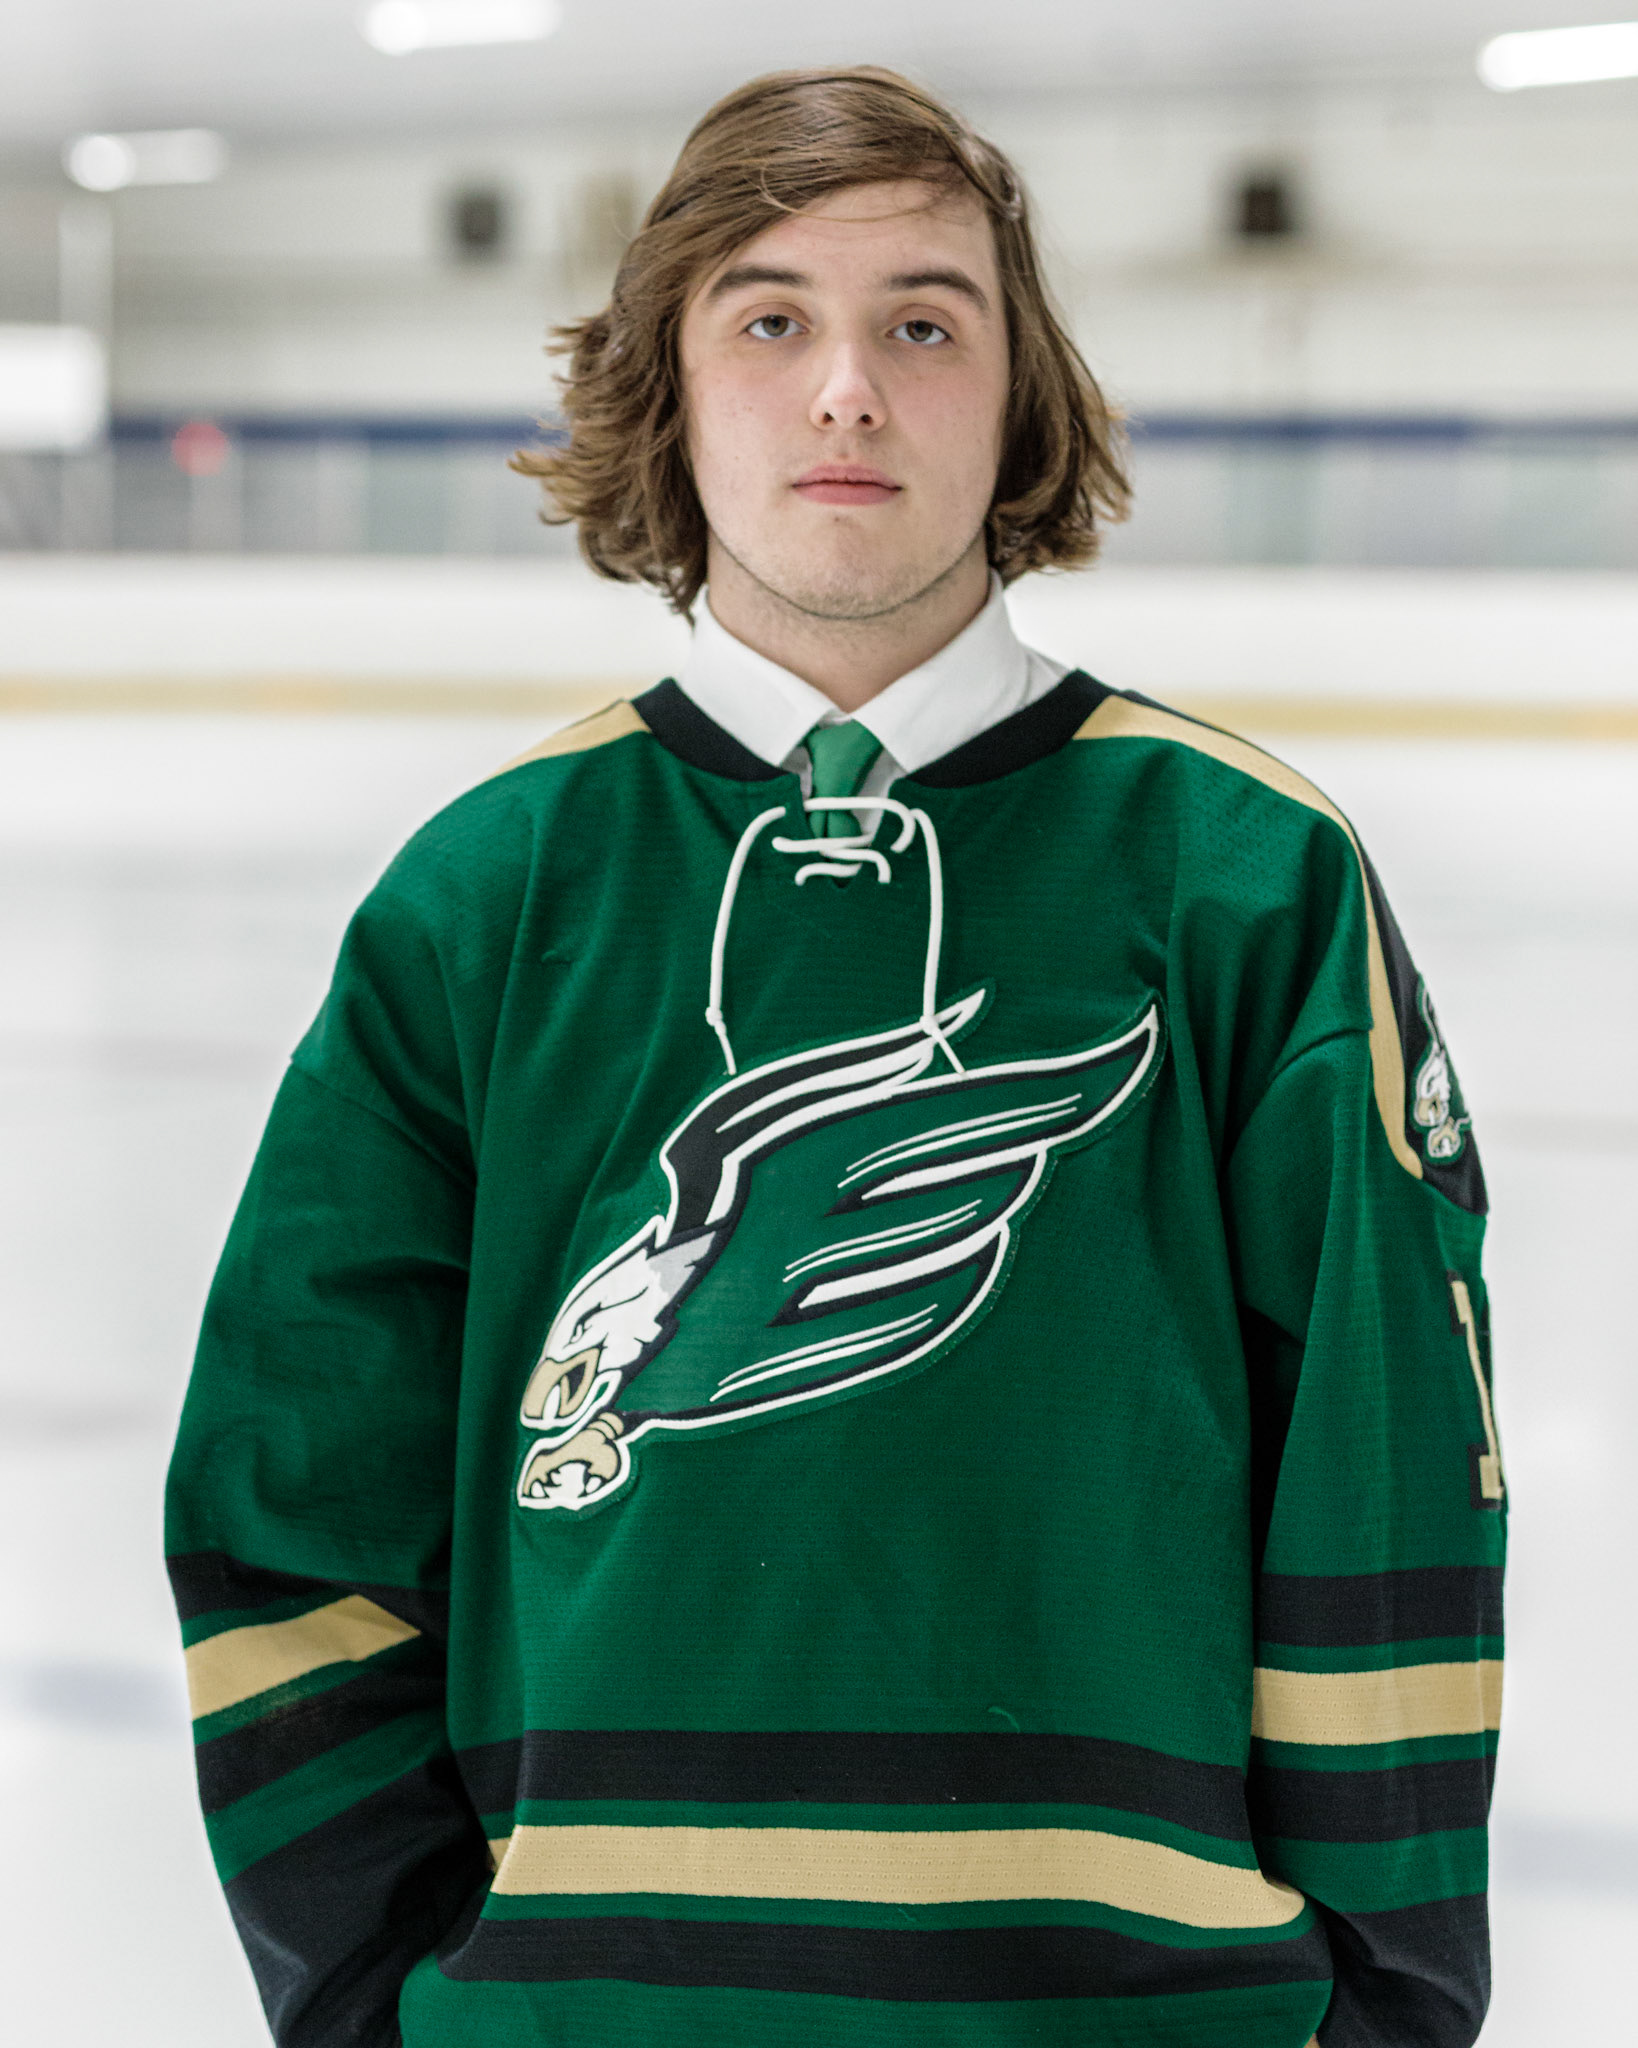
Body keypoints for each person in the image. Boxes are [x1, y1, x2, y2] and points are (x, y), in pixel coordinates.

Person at [166, 66, 1504, 2048]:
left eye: (925, 325)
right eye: (771, 320)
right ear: (671, 385)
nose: (849, 391)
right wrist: (379, 1998)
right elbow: (292, 1489)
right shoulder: (485, 892)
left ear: (1020, 396)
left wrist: (1372, 2015)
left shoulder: (1249, 878)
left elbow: (1392, 1480)